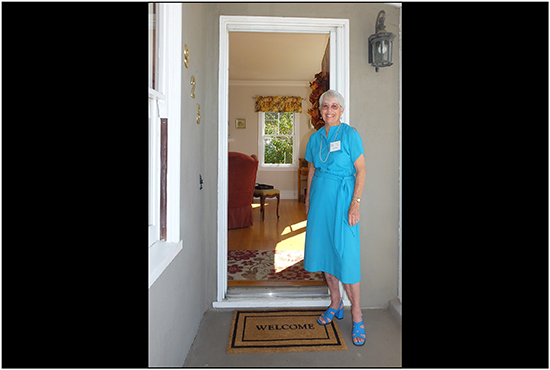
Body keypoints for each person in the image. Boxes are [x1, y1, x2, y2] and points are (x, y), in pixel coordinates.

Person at [303, 89, 366, 346]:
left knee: (346, 257)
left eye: (334, 106)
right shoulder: (315, 138)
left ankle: (358, 316)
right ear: (320, 110)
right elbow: (311, 170)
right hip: (320, 201)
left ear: (341, 110)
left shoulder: (350, 135)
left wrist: (355, 204)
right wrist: (308, 201)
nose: (329, 110)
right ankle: (336, 302)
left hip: (343, 201)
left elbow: (361, 171)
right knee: (326, 254)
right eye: (325, 106)